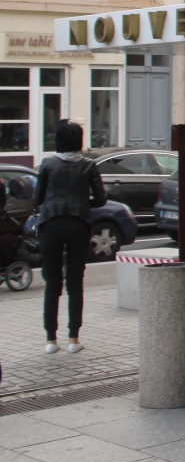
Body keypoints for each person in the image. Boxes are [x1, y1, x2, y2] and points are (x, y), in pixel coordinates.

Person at [33, 120, 106, 354]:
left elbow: (37, 198)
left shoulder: (48, 164)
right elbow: (101, 200)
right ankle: (74, 339)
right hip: (78, 225)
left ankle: (50, 340)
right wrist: (83, 203)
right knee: (75, 283)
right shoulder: (89, 165)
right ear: (79, 141)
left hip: (51, 224)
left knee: (52, 283)